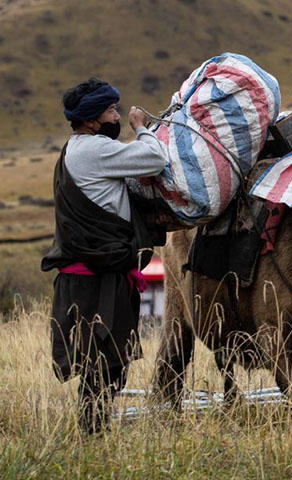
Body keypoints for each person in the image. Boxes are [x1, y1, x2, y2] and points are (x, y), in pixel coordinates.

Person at [42, 77, 167, 433]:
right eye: (112, 111)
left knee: (108, 360)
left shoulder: (76, 149)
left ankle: (94, 428)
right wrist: (141, 128)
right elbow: (154, 159)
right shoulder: (93, 150)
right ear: (92, 120)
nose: (117, 116)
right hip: (94, 280)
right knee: (104, 361)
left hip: (93, 276)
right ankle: (92, 431)